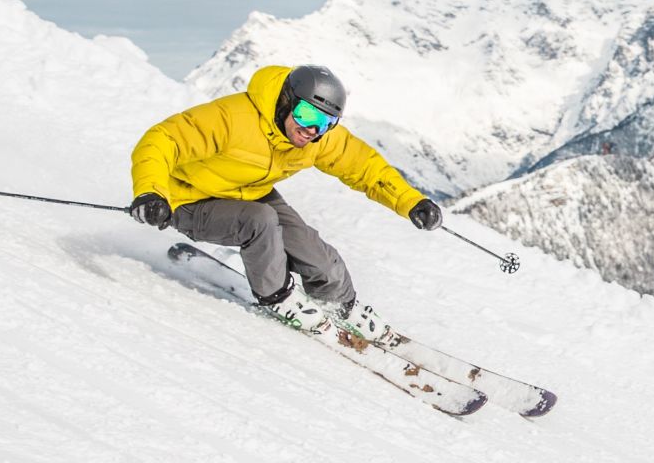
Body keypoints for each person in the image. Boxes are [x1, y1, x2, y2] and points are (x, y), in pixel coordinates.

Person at [127, 64, 442, 342]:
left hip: (250, 192)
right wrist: (150, 193)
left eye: (326, 123)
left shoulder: (315, 138)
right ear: (286, 101)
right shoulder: (232, 119)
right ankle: (277, 297)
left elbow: (364, 167)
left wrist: (410, 201)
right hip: (187, 199)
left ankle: (339, 305)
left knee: (314, 254)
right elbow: (161, 140)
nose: (312, 129)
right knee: (260, 220)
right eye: (307, 115)